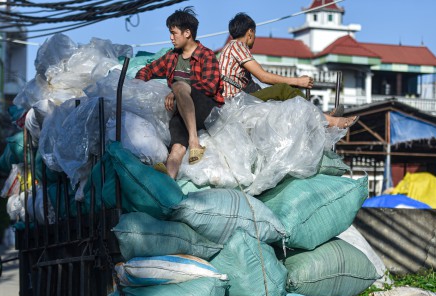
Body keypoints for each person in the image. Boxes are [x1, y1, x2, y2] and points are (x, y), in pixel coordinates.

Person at [218, 12, 358, 129]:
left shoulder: (231, 47)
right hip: (235, 102)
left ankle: (322, 115)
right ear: (250, 32)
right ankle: (329, 121)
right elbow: (263, 76)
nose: (254, 38)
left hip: (239, 99)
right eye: (254, 34)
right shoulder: (238, 46)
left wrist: (295, 84)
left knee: (292, 94)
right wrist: (297, 81)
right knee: (283, 90)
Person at [135, 7, 224, 179]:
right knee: (175, 149)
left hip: (206, 108)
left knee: (178, 86)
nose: (171, 37)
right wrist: (137, 85)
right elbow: (148, 70)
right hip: (183, 112)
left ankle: (194, 141)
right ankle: (167, 184)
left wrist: (177, 90)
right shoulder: (172, 57)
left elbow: (210, 87)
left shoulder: (206, 55)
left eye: (174, 33)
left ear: (187, 33)